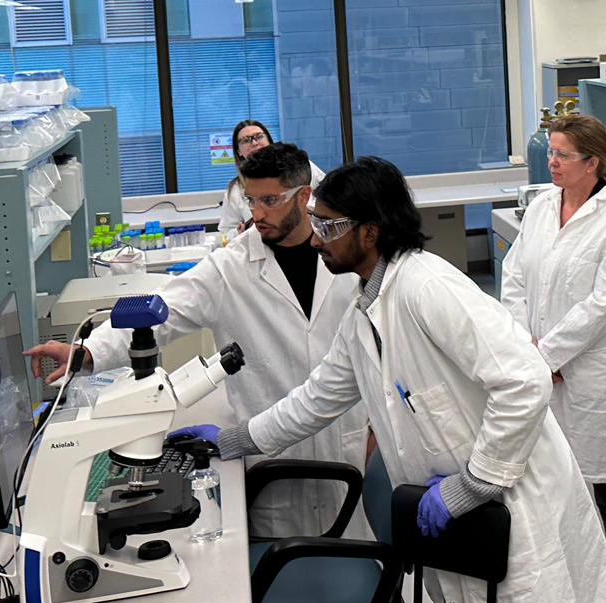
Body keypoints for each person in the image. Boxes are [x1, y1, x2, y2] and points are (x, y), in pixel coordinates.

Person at [176, 157, 606, 603]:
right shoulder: (366, 305)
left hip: (509, 502)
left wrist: (477, 482)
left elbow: (525, 379)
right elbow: (318, 397)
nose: (316, 237)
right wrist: (235, 440)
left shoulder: (426, 288)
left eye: (328, 226)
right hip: (453, 516)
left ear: (369, 232)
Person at [25, 142, 370, 540]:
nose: (256, 214)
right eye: (250, 199)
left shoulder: (345, 258)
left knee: (357, 556)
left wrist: (377, 427)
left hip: (345, 446)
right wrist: (86, 353)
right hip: (271, 459)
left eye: (270, 201)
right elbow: (161, 311)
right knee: (274, 570)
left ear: (304, 195)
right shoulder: (231, 267)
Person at [501, 114, 606, 603]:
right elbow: (514, 277)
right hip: (542, 370)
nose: (553, 161)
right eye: (553, 152)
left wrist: (546, 355)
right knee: (555, 492)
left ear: (593, 163)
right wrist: (525, 348)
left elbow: (605, 303)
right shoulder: (543, 206)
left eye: (564, 154)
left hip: (589, 376)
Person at [218, 119, 326, 240]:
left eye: (259, 136)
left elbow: (330, 195)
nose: (254, 143)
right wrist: (240, 232)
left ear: (269, 141)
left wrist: (308, 210)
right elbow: (225, 234)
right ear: (238, 152)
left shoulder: (300, 167)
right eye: (246, 140)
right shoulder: (235, 190)